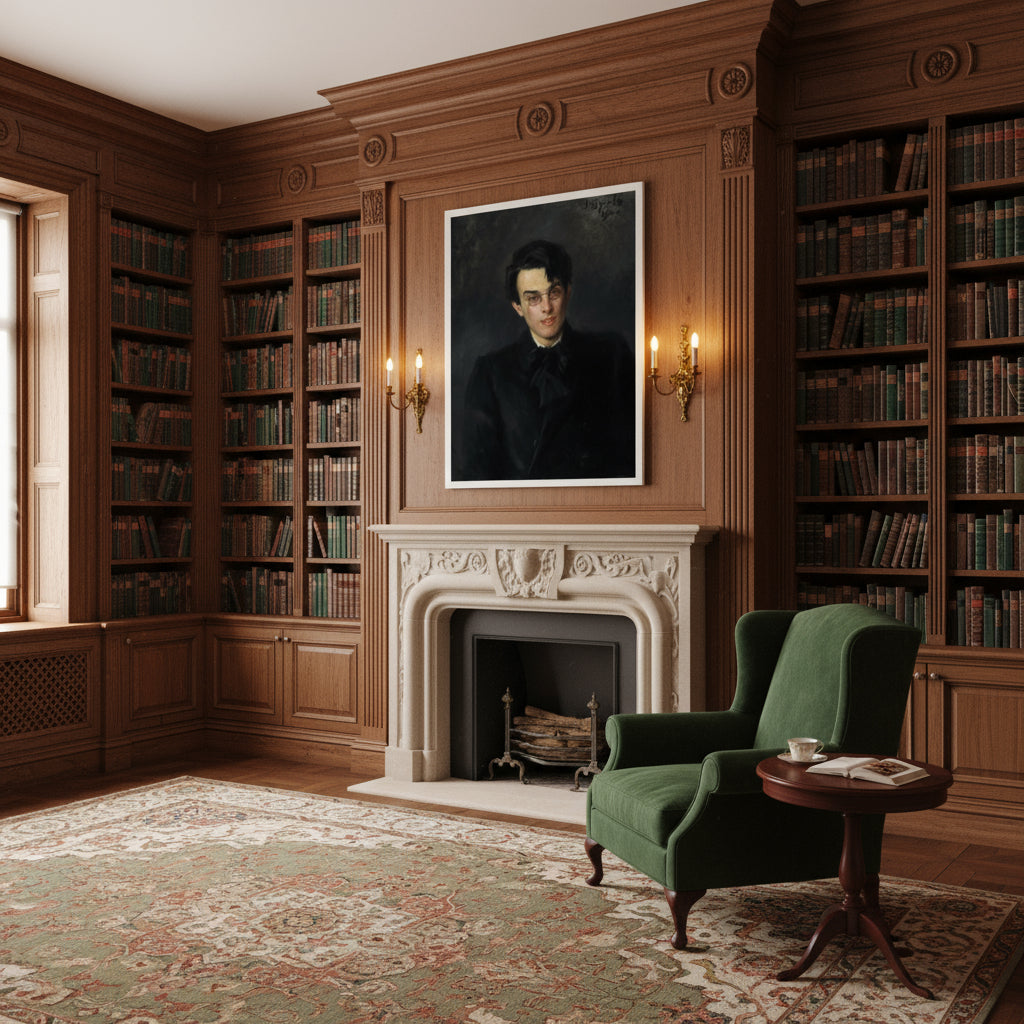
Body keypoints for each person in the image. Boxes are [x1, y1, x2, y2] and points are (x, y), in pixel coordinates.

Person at [459, 239, 636, 482]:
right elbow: (476, 473)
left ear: (568, 292)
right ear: (517, 307)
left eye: (553, 293)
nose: (546, 308)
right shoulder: (491, 373)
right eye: (533, 298)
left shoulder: (611, 355)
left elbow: (629, 456)